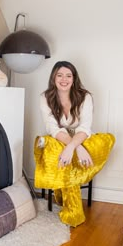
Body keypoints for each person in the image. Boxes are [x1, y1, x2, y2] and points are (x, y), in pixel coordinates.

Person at [34, 61, 115, 227]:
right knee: (51, 146)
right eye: (60, 75)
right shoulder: (45, 97)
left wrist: (74, 147)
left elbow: (85, 128)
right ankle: (73, 209)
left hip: (81, 138)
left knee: (105, 140)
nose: (64, 79)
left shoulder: (85, 97)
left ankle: (62, 191)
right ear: (53, 78)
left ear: (74, 78)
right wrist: (75, 148)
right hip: (59, 139)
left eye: (68, 75)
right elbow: (53, 128)